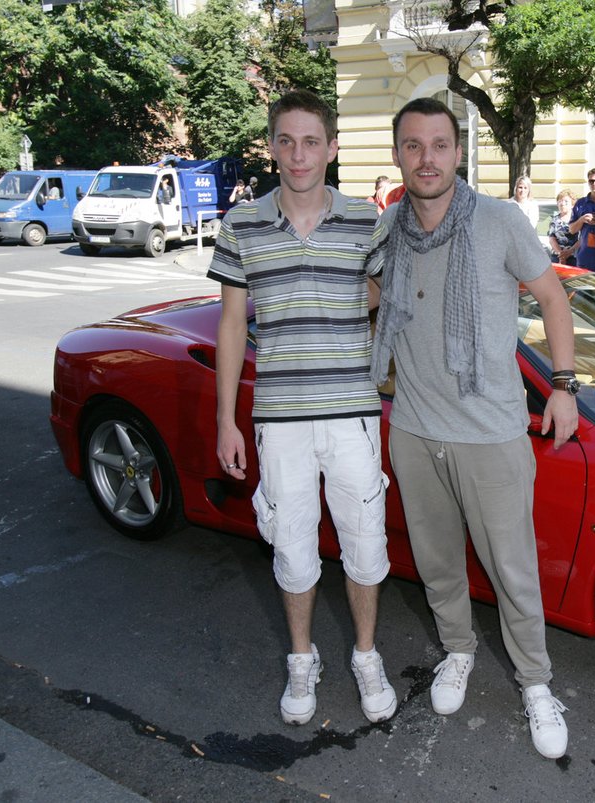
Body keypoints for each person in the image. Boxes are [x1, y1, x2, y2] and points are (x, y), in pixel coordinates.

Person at [372, 97, 578, 759]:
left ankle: (536, 683)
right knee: (437, 564)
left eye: (438, 144)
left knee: (513, 572)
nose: (426, 157)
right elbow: (369, 295)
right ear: (399, 154)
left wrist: (566, 385)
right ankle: (458, 650)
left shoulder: (499, 220)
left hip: (491, 432)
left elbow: (552, 296)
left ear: (458, 153)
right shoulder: (386, 231)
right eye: (412, 145)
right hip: (413, 428)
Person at [209, 89, 396, 727]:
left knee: (366, 545)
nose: (298, 154)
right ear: (271, 147)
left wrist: (336, 306)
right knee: (291, 550)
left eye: (311, 141)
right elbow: (233, 326)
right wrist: (226, 420)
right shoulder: (243, 225)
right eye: (285, 141)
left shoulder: (365, 219)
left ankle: (366, 657)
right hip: (279, 417)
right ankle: (301, 658)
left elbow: (382, 291)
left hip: (351, 412)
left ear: (332, 148)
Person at [569, 168, 595, 271]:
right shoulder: (581, 203)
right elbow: (572, 229)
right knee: (584, 287)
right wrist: (582, 219)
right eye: (591, 181)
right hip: (585, 256)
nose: (594, 183)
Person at [548, 189, 578, 265]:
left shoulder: (577, 220)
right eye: (560, 201)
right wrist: (561, 255)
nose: (562, 204)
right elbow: (552, 239)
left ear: (572, 205)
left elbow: (582, 239)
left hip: (574, 257)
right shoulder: (554, 220)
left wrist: (569, 252)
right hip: (557, 257)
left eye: (566, 201)